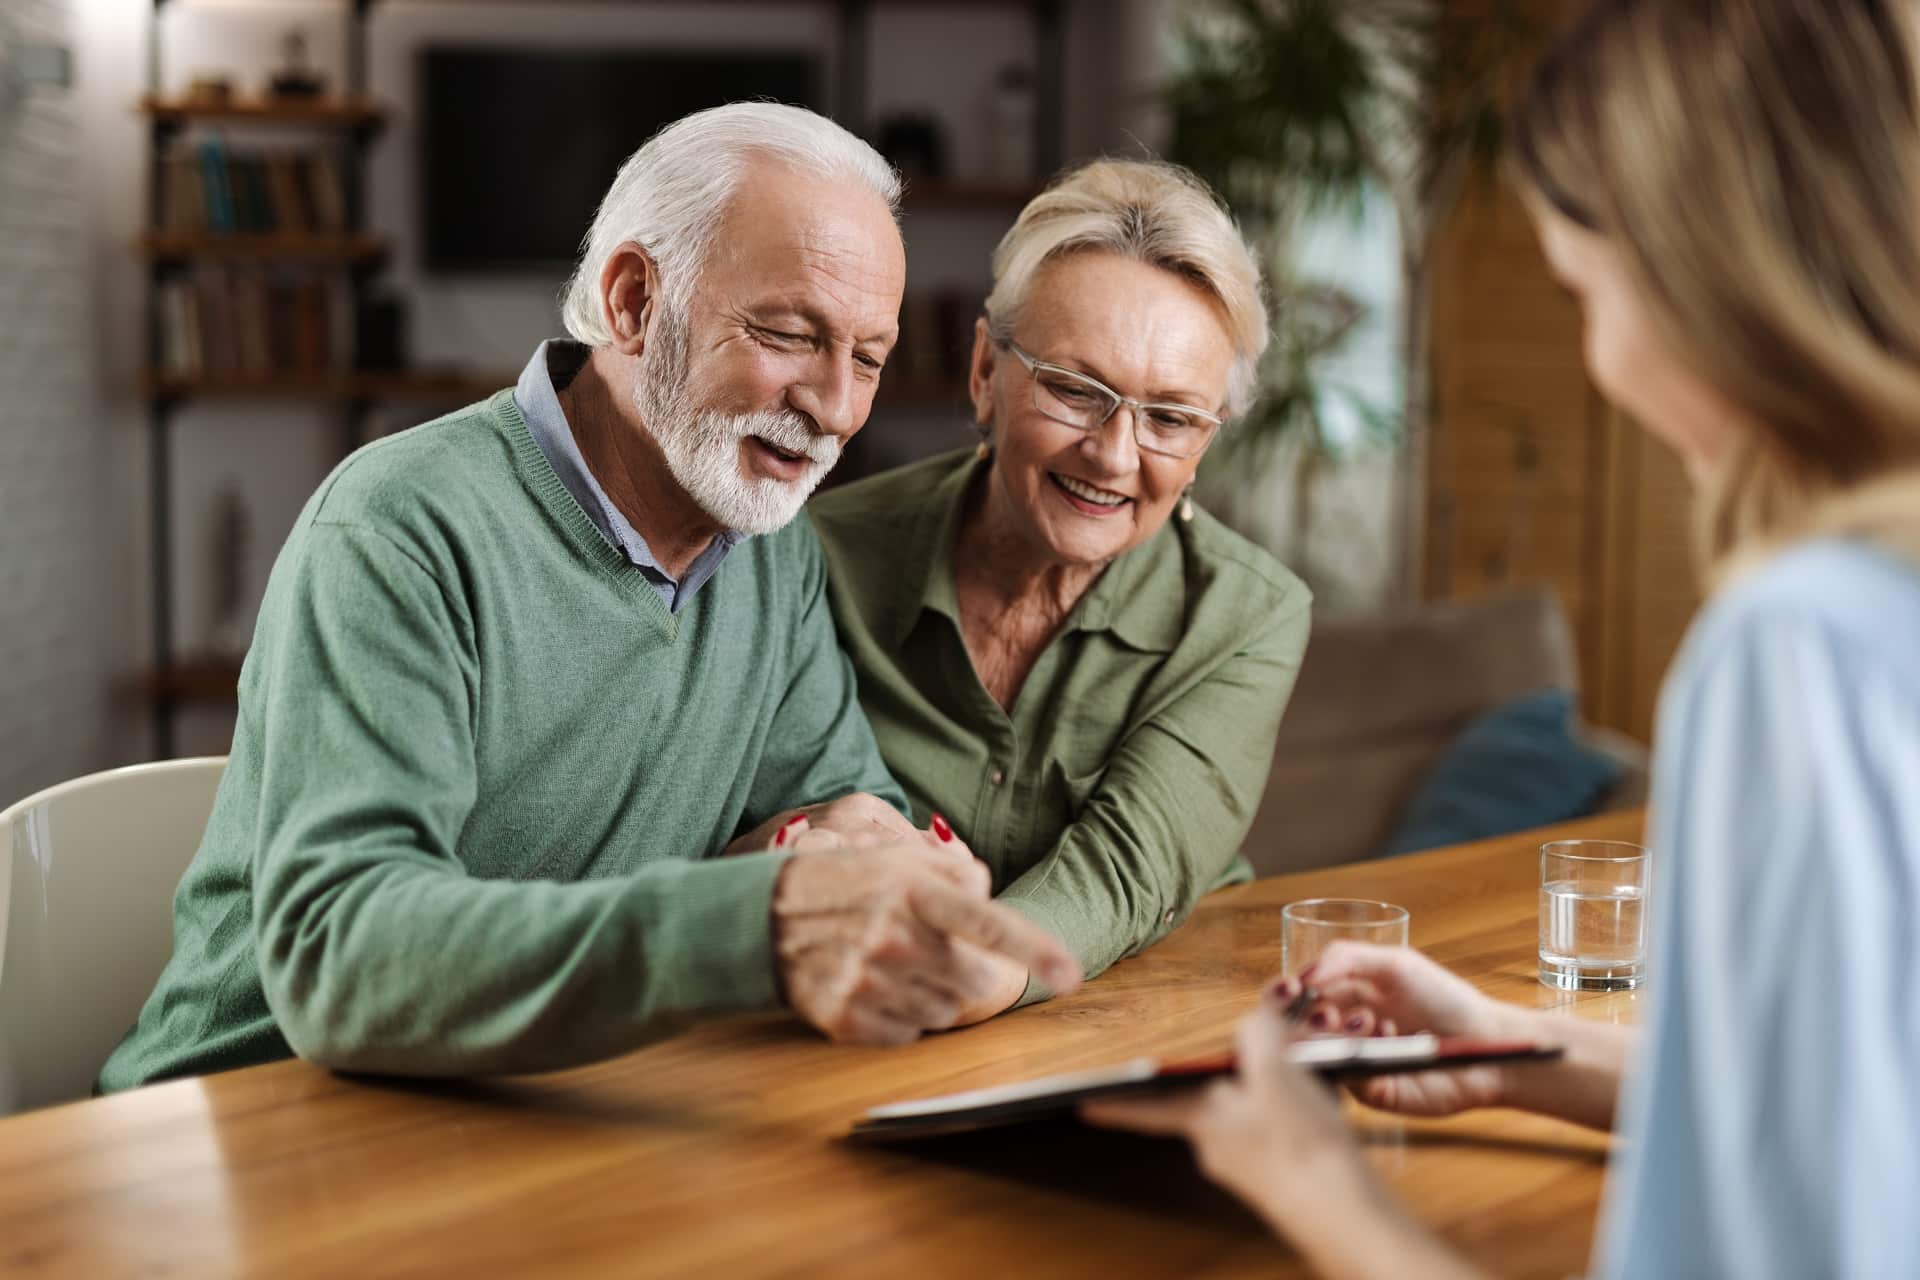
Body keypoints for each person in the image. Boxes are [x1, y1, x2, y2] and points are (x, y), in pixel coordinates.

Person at [1084, 1, 1920, 1276]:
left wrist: (1322, 1194)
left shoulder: (1800, 644)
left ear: (1704, 272)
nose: (1598, 358)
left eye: (1585, 286)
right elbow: (1836, 1123)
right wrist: (1502, 1042)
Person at [99, 103, 1079, 1092]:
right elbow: (341, 955)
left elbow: (831, 808)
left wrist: (877, 857)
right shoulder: (400, 526)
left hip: (527, 1116)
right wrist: (761, 916)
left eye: (867, 357)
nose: (833, 407)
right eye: (789, 333)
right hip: (241, 1129)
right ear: (633, 301)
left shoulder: (773, 557)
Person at [809, 159, 1311, 1024]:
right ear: (983, 373)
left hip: (1135, 1006)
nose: (1115, 455)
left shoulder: (1247, 616)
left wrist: (974, 969)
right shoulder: (816, 556)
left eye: (1170, 417)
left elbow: (1130, 865)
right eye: (1077, 391)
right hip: (855, 1013)